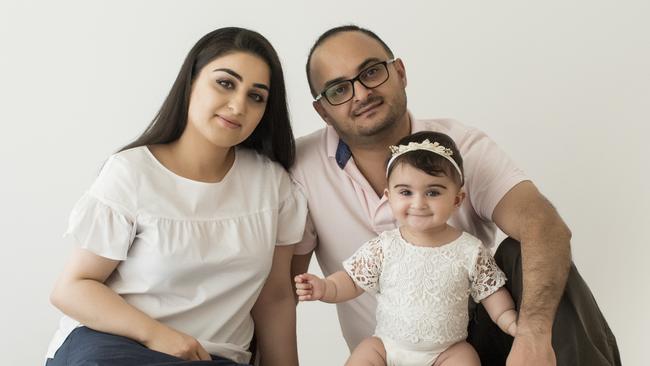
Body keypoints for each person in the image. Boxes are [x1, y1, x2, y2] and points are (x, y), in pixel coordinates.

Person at [290, 25, 620, 365]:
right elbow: (284, 290)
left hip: (466, 349)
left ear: (400, 72)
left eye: (371, 72)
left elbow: (545, 226)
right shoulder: (302, 168)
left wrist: (531, 334)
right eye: (338, 89)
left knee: (528, 250)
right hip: (383, 353)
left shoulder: (460, 148)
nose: (360, 94)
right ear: (323, 110)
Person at [46, 27, 306, 366]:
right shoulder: (132, 172)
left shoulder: (273, 185)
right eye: (225, 83)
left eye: (256, 96)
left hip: (214, 357)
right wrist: (159, 336)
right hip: (116, 346)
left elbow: (275, 299)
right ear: (191, 83)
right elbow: (72, 288)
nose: (238, 105)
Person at [296, 132, 518, 366]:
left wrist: (507, 319)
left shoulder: (470, 250)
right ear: (389, 197)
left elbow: (491, 291)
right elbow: (352, 281)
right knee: (363, 354)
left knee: (467, 358)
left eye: (433, 192)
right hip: (387, 346)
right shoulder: (385, 246)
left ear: (456, 200)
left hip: (447, 350)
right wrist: (325, 287)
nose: (418, 203)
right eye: (405, 192)